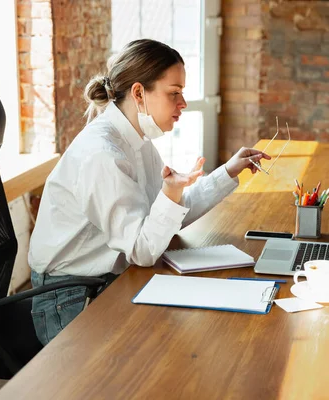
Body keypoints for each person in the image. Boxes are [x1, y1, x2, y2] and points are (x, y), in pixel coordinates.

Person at [28, 39, 271, 345]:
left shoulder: (136, 142)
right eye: (174, 93)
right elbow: (142, 250)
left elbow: (165, 221)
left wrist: (227, 171)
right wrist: (170, 193)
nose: (183, 103)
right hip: (69, 296)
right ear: (139, 93)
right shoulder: (103, 154)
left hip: (108, 278)